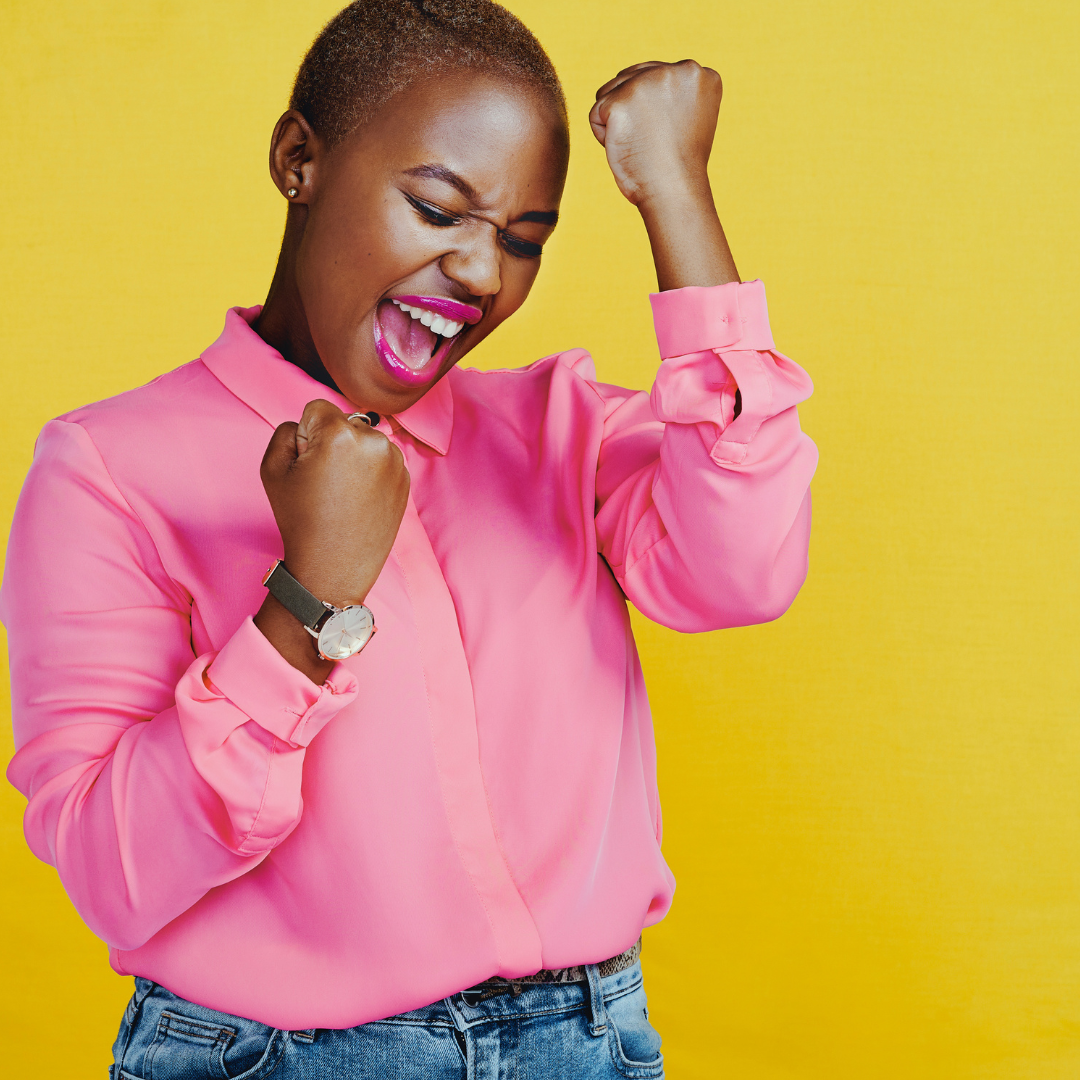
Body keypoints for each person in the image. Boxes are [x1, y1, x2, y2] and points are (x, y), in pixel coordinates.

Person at [2, 1, 818, 1076]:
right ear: (300, 159)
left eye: (524, 240)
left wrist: (675, 195)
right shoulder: (107, 469)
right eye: (439, 209)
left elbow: (740, 571)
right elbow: (112, 873)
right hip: (271, 1056)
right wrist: (310, 597)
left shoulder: (559, 430)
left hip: (584, 1043)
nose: (483, 276)